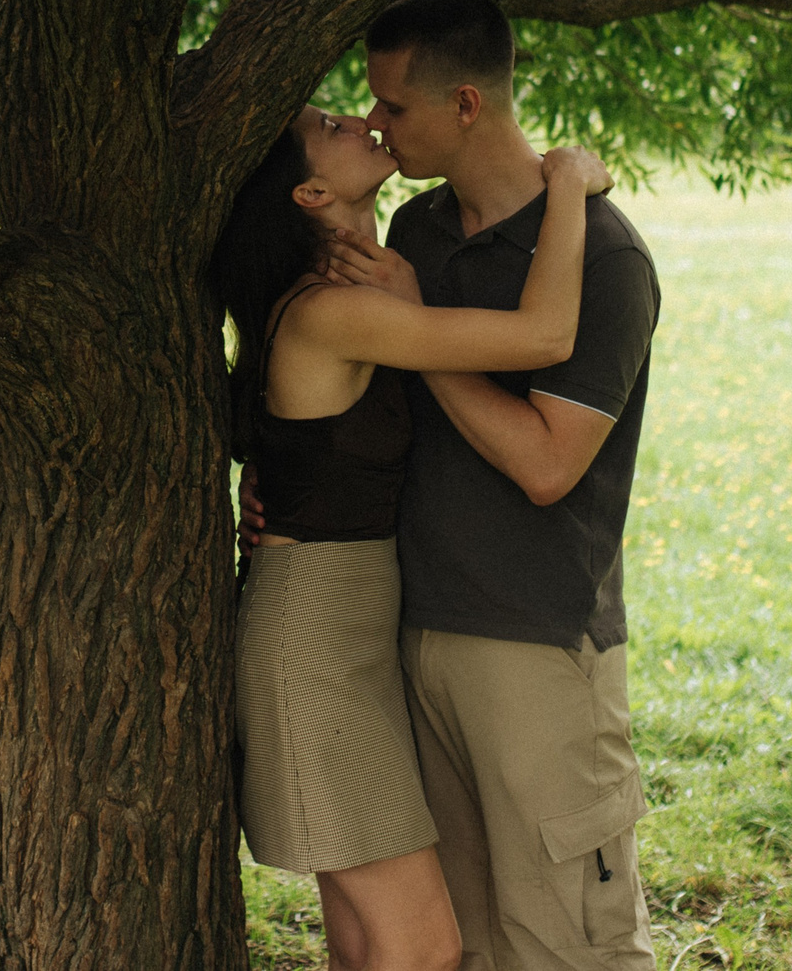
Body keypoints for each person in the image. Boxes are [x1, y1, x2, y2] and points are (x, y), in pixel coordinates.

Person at [214, 101, 612, 971]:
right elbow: (544, 335)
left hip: (340, 636)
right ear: (311, 192)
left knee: (368, 945)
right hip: (314, 649)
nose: (362, 118)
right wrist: (570, 185)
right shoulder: (328, 310)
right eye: (331, 125)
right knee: (424, 946)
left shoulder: (348, 297)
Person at [327, 0, 665, 971]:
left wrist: (416, 330)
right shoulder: (418, 231)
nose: (377, 125)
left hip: (536, 645)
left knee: (568, 945)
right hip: (415, 629)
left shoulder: (605, 255)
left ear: (466, 103)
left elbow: (548, 461)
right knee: (467, 947)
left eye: (394, 104)